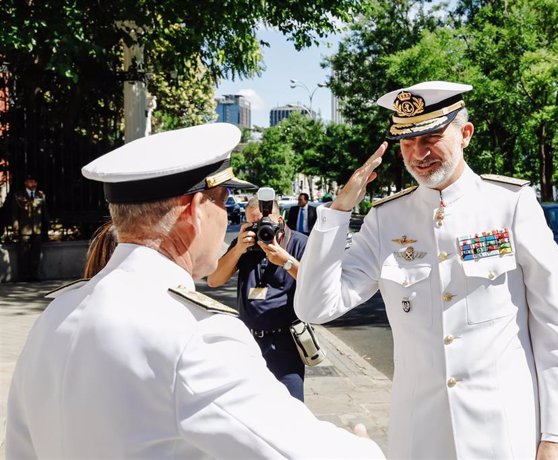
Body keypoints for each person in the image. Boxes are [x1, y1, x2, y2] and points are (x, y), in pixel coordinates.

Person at [6, 123, 384, 459]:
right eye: (224, 202)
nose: (228, 216)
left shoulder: (56, 315)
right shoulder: (196, 334)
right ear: (194, 210)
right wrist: (365, 446)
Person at [295, 81, 558, 460]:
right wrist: (338, 212)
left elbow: (554, 325)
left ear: (465, 134)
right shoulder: (386, 219)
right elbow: (315, 308)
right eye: (407, 142)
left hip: (505, 433)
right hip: (420, 437)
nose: (419, 153)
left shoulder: (510, 204)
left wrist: (556, 435)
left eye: (431, 137)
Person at [208, 195, 308, 400]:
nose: (260, 229)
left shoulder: (298, 243)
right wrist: (237, 250)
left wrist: (285, 261)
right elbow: (214, 280)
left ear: (280, 221)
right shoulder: (244, 245)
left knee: (291, 407)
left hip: (285, 343)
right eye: (253, 223)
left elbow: (315, 283)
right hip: (249, 341)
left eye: (264, 223)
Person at [10, 174, 49, 280]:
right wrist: (15, 227)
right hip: (24, 230)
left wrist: (46, 227)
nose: (33, 183)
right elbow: (15, 214)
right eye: (30, 181)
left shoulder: (40, 195)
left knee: (36, 253)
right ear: (26, 183)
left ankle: (34, 275)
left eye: (34, 182)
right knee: (23, 253)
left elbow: (44, 212)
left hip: (37, 230)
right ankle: (23, 276)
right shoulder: (18, 195)